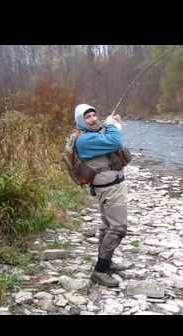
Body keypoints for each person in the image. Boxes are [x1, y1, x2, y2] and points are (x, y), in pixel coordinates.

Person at [73, 104, 130, 287]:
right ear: (80, 121)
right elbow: (115, 142)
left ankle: (106, 261)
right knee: (118, 228)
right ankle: (100, 270)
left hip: (112, 187)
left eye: (94, 115)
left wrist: (110, 124)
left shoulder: (95, 134)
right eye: (87, 117)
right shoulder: (84, 141)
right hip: (109, 189)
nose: (92, 119)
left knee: (107, 227)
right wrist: (112, 126)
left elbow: (107, 138)